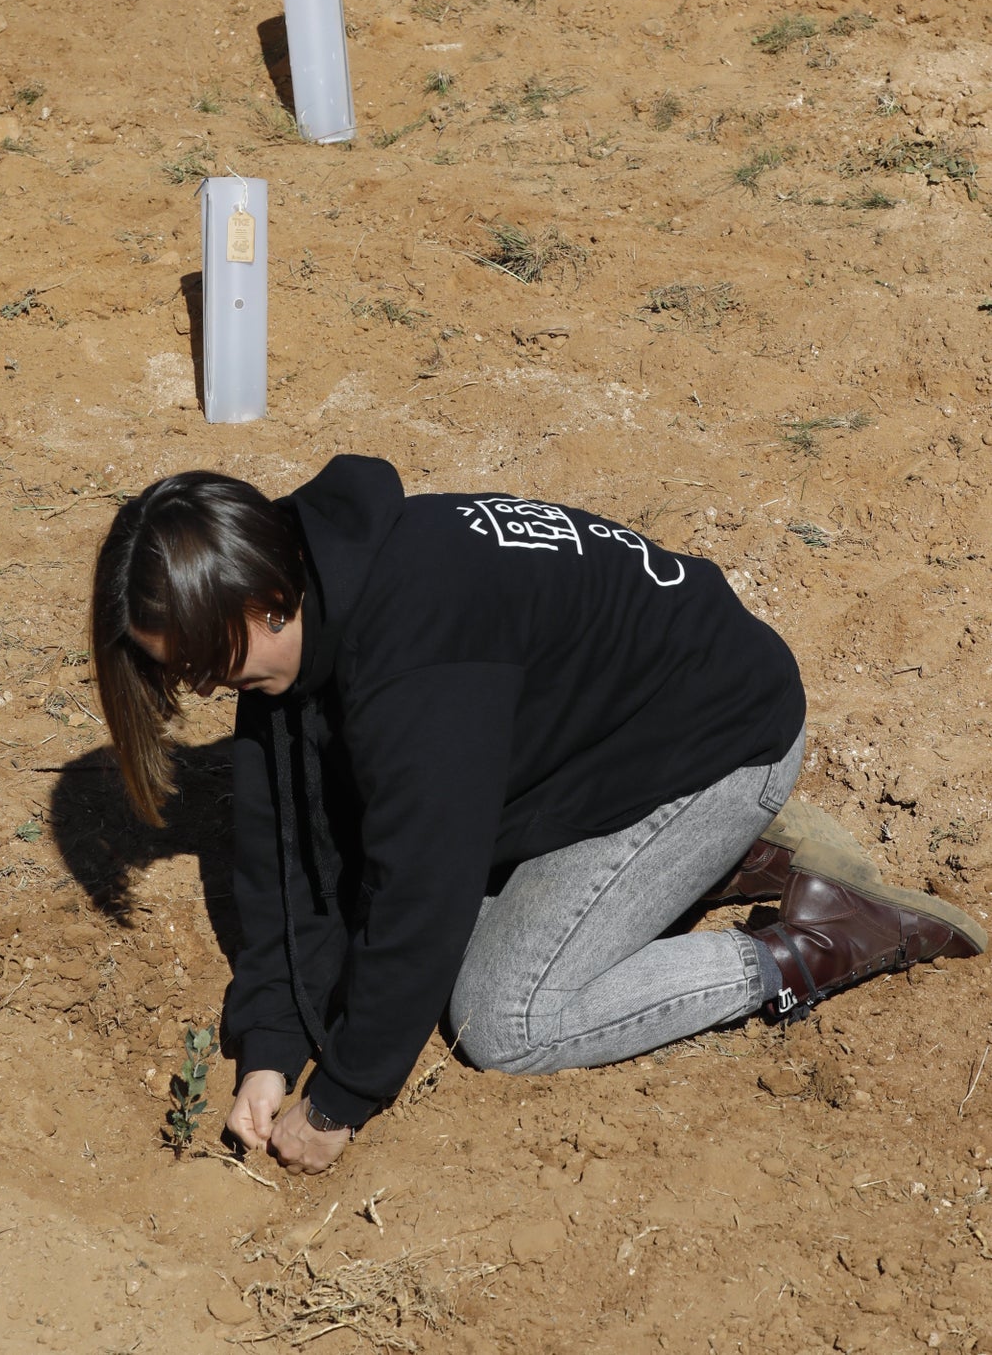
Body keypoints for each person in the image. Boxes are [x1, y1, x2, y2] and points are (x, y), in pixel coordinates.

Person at [91, 456, 985, 1175]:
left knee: (504, 1018)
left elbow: (421, 896)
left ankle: (824, 938)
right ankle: (709, 860)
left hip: (722, 743)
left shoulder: (418, 662)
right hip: (608, 751)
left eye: (210, 662)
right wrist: (271, 1047)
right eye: (184, 674)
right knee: (399, 875)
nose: (204, 689)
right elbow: (295, 847)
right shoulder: (306, 591)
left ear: (261, 589)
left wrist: (340, 1102)